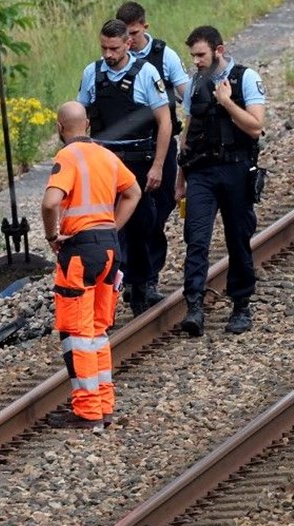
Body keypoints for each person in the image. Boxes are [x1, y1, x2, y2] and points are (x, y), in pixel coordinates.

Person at [41, 101, 142, 429]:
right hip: (109, 250)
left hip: (80, 252)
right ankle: (104, 405)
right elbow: (134, 192)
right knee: (98, 331)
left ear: (60, 128)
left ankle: (87, 413)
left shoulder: (67, 157)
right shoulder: (107, 155)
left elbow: (50, 202)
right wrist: (112, 226)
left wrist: (52, 235)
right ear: (87, 126)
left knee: (77, 333)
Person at [175, 26, 266, 336]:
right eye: (193, 56)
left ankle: (241, 305)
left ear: (219, 50)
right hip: (201, 171)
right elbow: (187, 132)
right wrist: (180, 178)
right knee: (196, 238)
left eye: (201, 55)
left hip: (237, 170)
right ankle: (194, 306)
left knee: (238, 237)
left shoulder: (245, 78)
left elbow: (255, 127)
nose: (196, 61)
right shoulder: (195, 84)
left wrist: (227, 102)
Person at [77, 18, 171, 316]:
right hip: (104, 162)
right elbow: (80, 117)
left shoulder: (147, 73)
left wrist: (158, 165)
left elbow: (164, 122)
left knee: (141, 226)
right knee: (106, 230)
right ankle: (110, 289)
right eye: (104, 47)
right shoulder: (92, 73)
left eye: (114, 48)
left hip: (138, 163)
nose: (108, 54)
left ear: (127, 44)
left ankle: (140, 284)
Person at [116, 2, 192, 306]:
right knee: (127, 216)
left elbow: (187, 93)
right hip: (126, 153)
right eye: (126, 35)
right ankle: (136, 278)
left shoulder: (164, 55)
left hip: (159, 146)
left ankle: (146, 275)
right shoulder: (114, 60)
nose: (130, 41)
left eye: (134, 33)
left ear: (144, 27)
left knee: (157, 212)